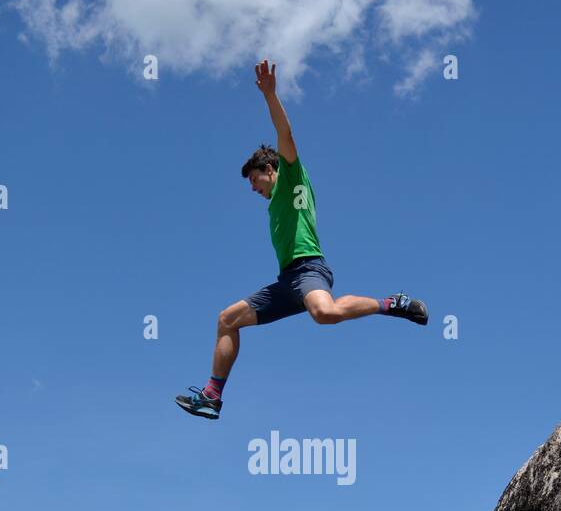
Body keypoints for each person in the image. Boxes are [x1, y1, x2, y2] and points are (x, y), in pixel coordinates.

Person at [176, 58, 428, 420]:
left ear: (270, 169)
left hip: (310, 269)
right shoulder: (274, 201)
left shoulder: (291, 175)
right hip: (285, 282)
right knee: (227, 319)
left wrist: (270, 96)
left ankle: (392, 303)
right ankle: (212, 397)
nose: (253, 189)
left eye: (254, 180)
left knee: (324, 313)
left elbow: (286, 137)